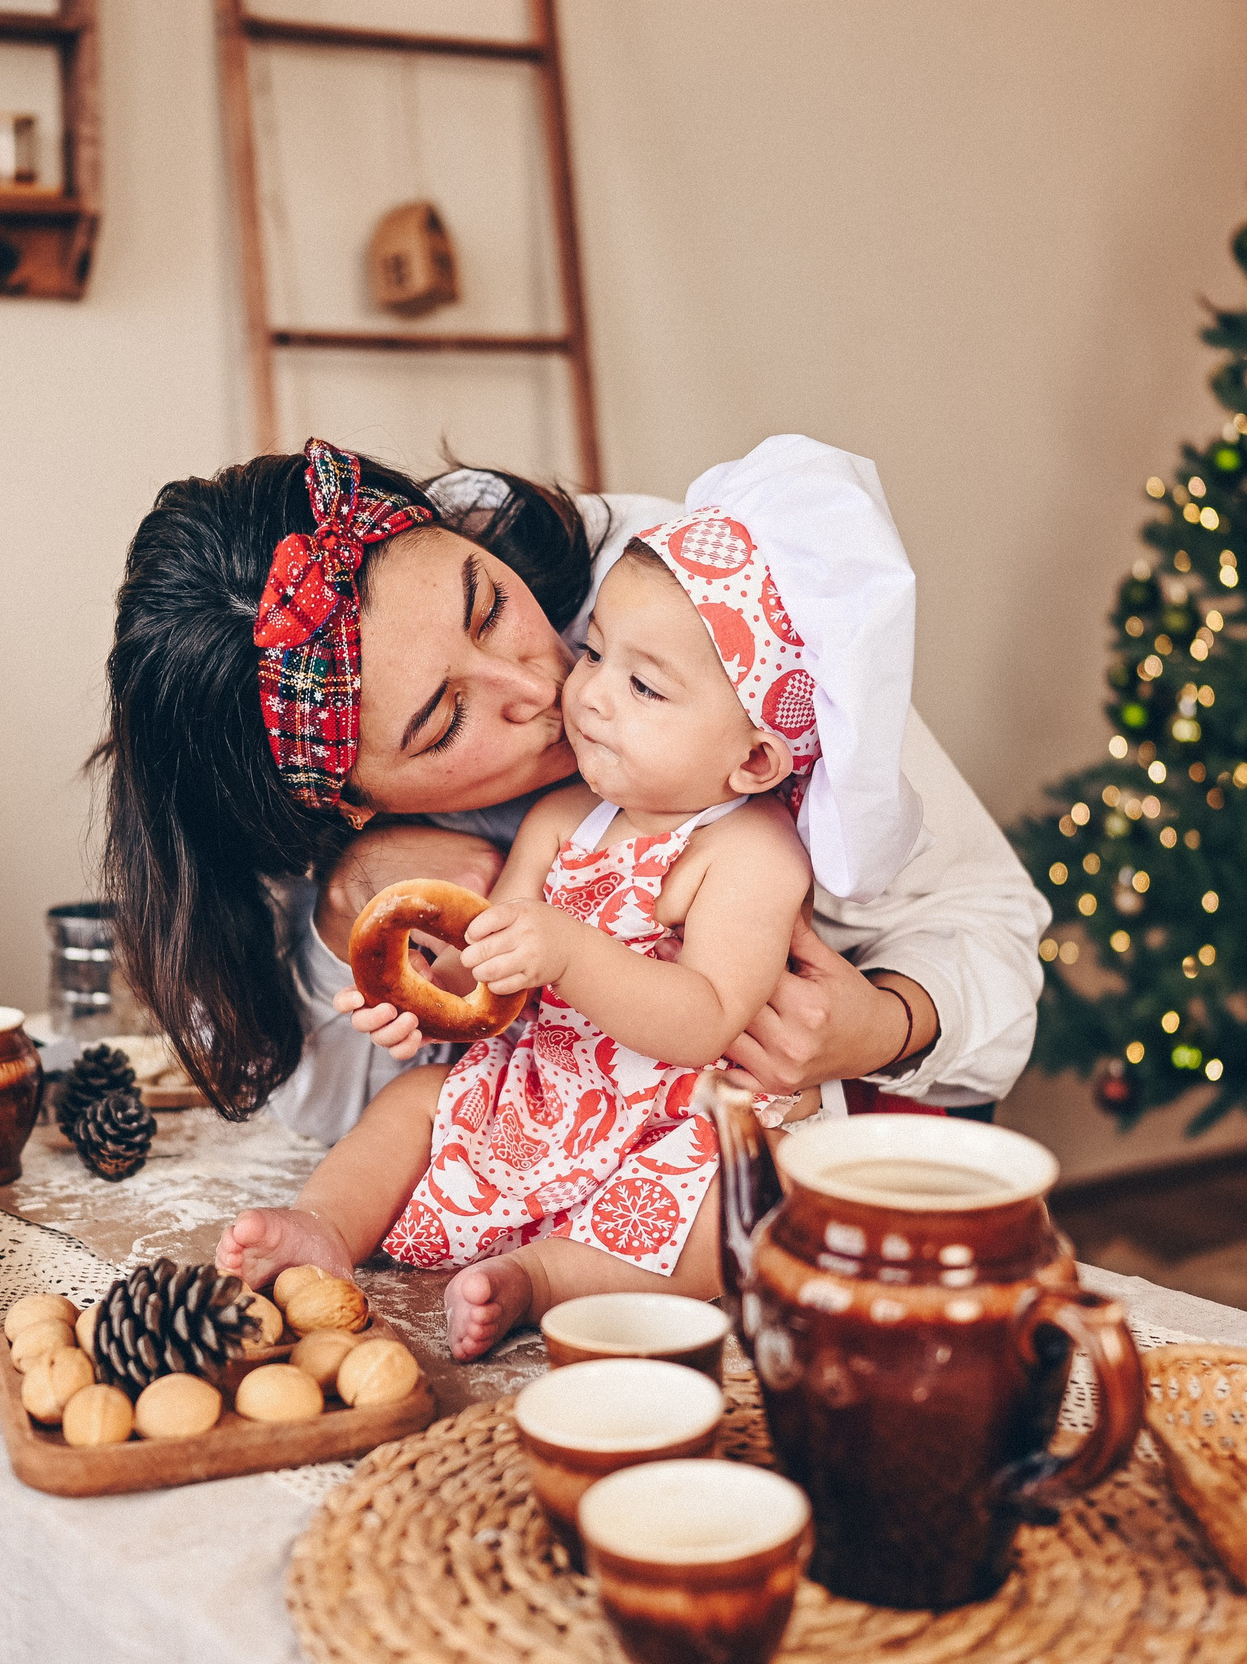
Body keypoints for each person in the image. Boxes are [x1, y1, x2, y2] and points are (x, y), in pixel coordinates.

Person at [100, 435, 1048, 1151]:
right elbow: (313, 1110)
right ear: (343, 800)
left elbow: (992, 922)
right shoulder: (304, 821)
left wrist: (884, 1022)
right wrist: (344, 909)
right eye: (443, 724)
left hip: (849, 1156)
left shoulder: (690, 599)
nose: (545, 688)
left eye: (489, 604)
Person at [217, 445, 914, 1354]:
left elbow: (706, 1016)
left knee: (741, 1196)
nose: (576, 693)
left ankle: (545, 1276)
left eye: (644, 685)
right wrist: (430, 992)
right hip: (543, 1085)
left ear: (753, 758)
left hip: (676, 1109)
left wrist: (570, 952)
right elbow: (489, 966)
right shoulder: (564, 814)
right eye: (594, 652)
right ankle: (325, 1224)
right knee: (418, 1099)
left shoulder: (750, 851)